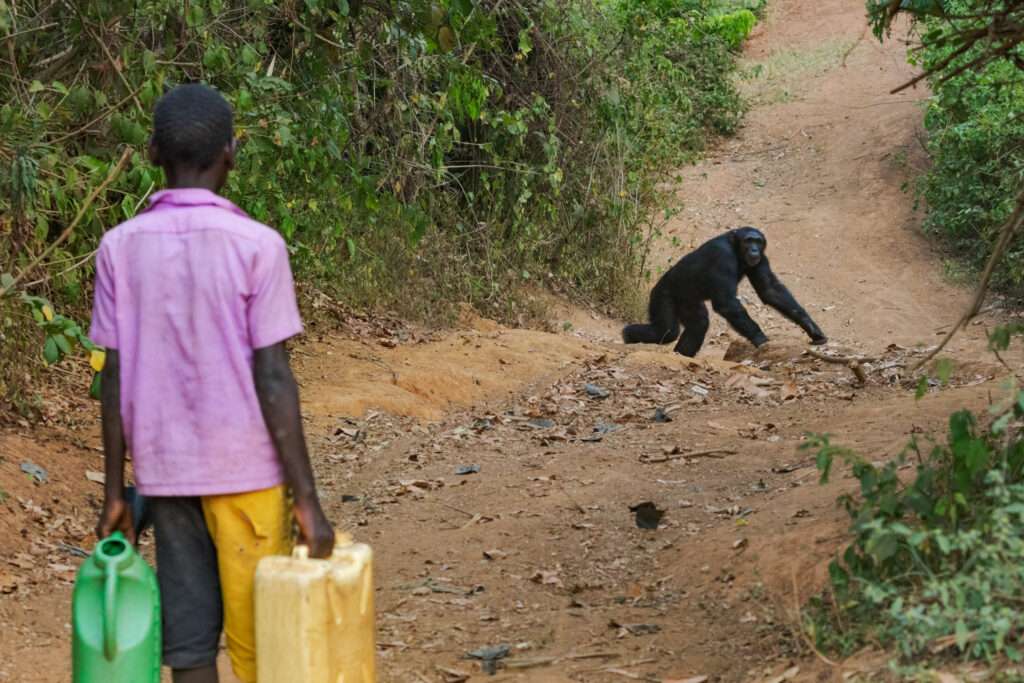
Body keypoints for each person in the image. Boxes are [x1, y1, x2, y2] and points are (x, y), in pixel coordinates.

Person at [90, 83, 335, 683]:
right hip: (248, 476)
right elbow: (273, 376)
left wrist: (116, 491)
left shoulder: (118, 248)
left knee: (191, 646)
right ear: (231, 154)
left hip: (167, 476)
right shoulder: (259, 247)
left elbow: (113, 376)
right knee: (262, 645)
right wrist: (306, 499)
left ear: (152, 152)